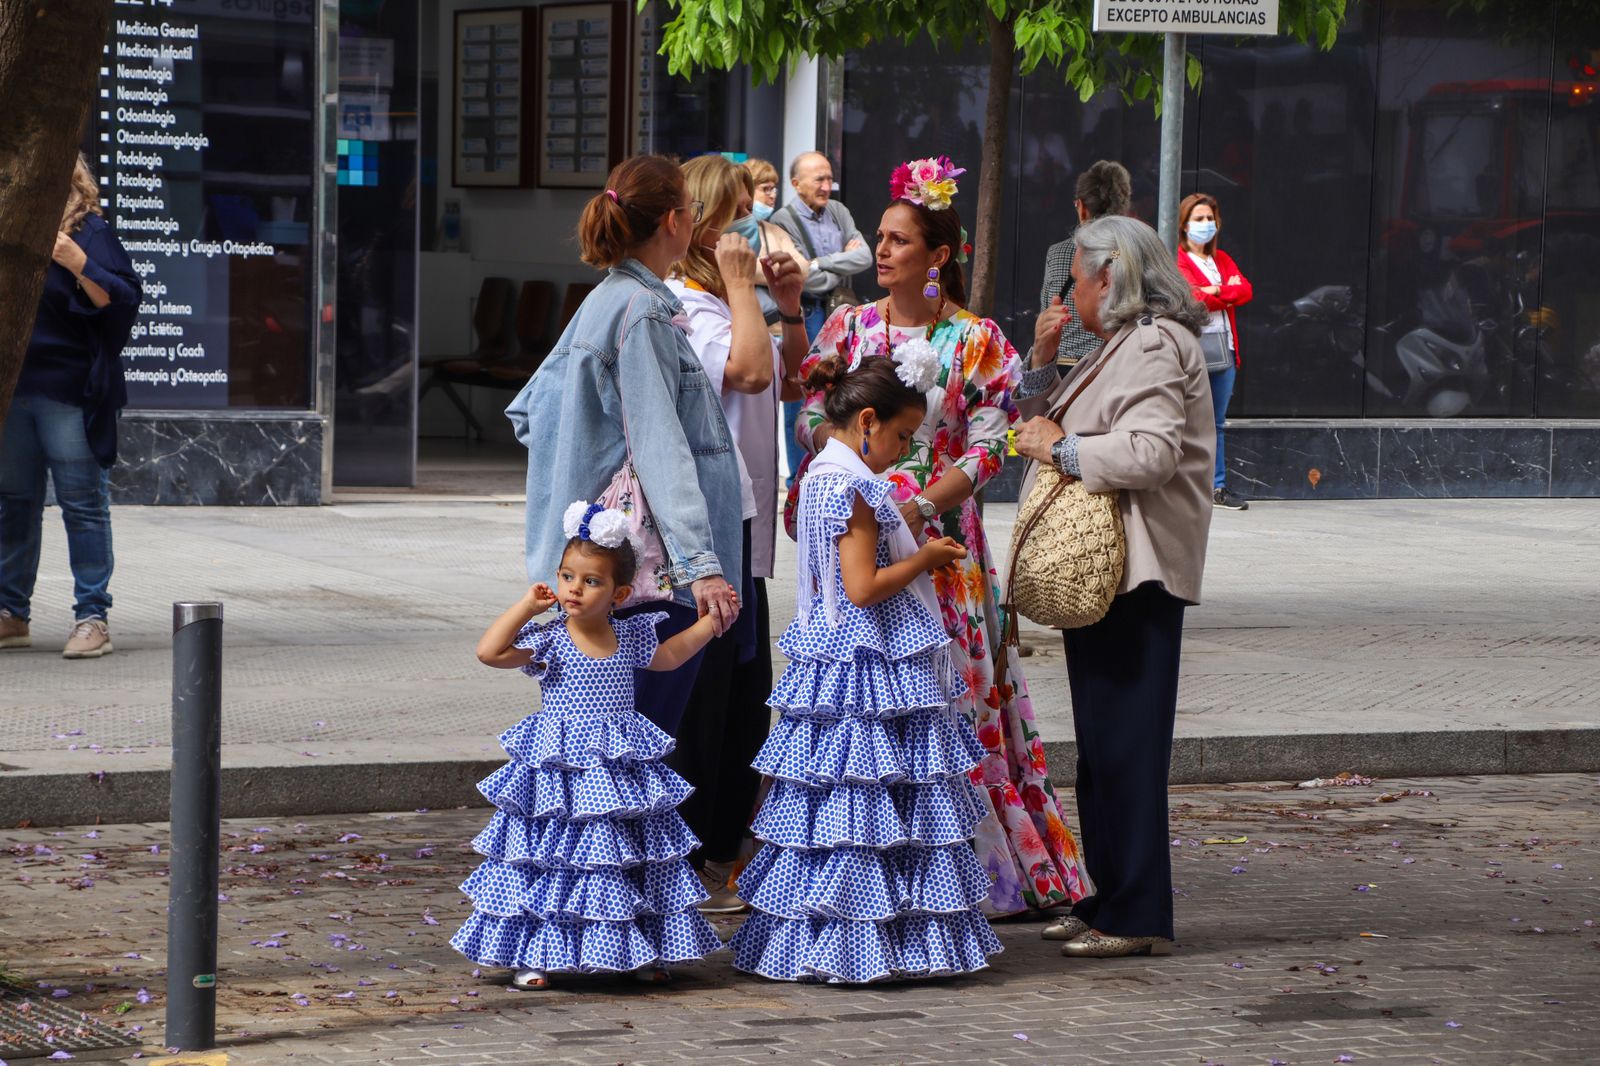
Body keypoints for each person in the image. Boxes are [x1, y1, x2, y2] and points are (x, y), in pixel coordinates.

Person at [795, 156, 1089, 920]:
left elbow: (992, 441)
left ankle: (976, 870)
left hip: (943, 553)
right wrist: (852, 474)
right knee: (859, 702)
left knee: (951, 702)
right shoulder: (848, 327)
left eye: (899, 240)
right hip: (858, 539)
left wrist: (921, 505)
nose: (884, 251)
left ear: (938, 255)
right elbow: (809, 417)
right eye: (882, 239)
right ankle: (867, 863)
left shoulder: (976, 339)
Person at [730, 355, 1002, 983]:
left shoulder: (823, 473)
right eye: (904, 437)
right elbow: (862, 585)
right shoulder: (853, 486)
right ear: (869, 422)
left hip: (834, 651)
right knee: (870, 802)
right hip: (867, 658)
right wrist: (927, 555)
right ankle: (877, 939)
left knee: (832, 805)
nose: (905, 451)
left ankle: (816, 938)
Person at [1011, 214, 1215, 958]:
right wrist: (1041, 368)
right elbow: (1047, 422)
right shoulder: (1120, 346)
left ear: (1112, 276)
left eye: (1078, 277)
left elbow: (1152, 452)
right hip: (1105, 574)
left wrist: (1062, 449)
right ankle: (1106, 899)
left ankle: (1133, 910)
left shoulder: (1157, 343)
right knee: (1101, 748)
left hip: (1141, 571)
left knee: (1126, 747)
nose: (1069, 290)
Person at [505, 155, 743, 737]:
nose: (695, 219)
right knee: (628, 759)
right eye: (692, 208)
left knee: (597, 757)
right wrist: (702, 567)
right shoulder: (642, 313)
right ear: (672, 221)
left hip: (602, 568)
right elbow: (662, 447)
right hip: (643, 577)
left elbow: (528, 414)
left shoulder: (609, 301)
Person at [452, 502, 727, 989]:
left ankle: (635, 948)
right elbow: (489, 651)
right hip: (563, 770)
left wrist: (710, 625)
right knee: (559, 860)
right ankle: (540, 954)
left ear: (620, 593)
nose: (574, 589)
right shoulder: (551, 638)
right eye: (566, 577)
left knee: (626, 857)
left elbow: (668, 658)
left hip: (619, 764)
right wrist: (525, 607)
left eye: (591, 581)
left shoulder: (629, 635)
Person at [664, 155, 808, 912]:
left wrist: (784, 302)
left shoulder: (730, 298)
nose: (750, 232)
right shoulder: (684, 305)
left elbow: (791, 376)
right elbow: (748, 375)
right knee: (706, 705)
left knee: (746, 701)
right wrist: (746, 289)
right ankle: (693, 856)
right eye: (736, 218)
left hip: (746, 526)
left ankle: (725, 848)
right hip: (705, 533)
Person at [0, 154, 140, 660]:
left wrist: (76, 263)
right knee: (14, 503)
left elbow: (124, 297)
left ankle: (92, 617)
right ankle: (11, 614)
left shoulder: (89, 231)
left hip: (70, 389)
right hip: (13, 391)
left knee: (81, 504)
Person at [771, 151, 874, 486]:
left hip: (838, 313)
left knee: (841, 390)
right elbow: (804, 279)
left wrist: (820, 262)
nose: (827, 185)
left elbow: (864, 257)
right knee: (802, 394)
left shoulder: (838, 211)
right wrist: (839, 260)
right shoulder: (783, 220)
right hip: (806, 312)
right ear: (796, 183)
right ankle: (799, 481)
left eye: (830, 178)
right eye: (819, 179)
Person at [1174, 192, 1253, 511]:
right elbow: (1193, 299)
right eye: (1199, 219)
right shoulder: (1178, 260)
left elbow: (1245, 290)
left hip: (1225, 352)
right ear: (1184, 225)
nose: (1206, 225)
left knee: (1216, 423)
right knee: (1187, 420)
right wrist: (1222, 293)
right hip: (1194, 354)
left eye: (1210, 219)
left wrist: (1217, 289)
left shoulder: (1221, 260)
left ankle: (1216, 487)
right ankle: (1182, 485)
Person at [1033, 161, 1132, 376]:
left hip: (1063, 367)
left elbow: (1046, 309)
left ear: (1082, 207)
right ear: (1123, 208)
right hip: (1113, 363)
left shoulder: (1058, 253)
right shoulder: (1128, 253)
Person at [735, 157, 811, 327]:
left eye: (774, 189)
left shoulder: (774, 230)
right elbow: (738, 268)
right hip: (746, 324)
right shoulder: (730, 229)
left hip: (779, 325)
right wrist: (780, 270)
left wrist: (759, 271)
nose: (772, 195)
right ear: (747, 190)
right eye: (765, 189)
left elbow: (803, 268)